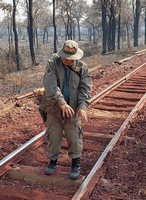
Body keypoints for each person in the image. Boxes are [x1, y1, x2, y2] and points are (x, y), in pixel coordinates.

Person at [40, 40, 92, 180]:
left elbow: (85, 89)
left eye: (70, 59)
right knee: (53, 135)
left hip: (73, 109)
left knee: (74, 135)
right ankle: (53, 161)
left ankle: (75, 163)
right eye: (65, 58)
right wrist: (61, 102)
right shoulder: (53, 64)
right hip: (54, 107)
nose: (67, 61)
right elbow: (50, 85)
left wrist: (82, 107)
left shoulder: (82, 67)